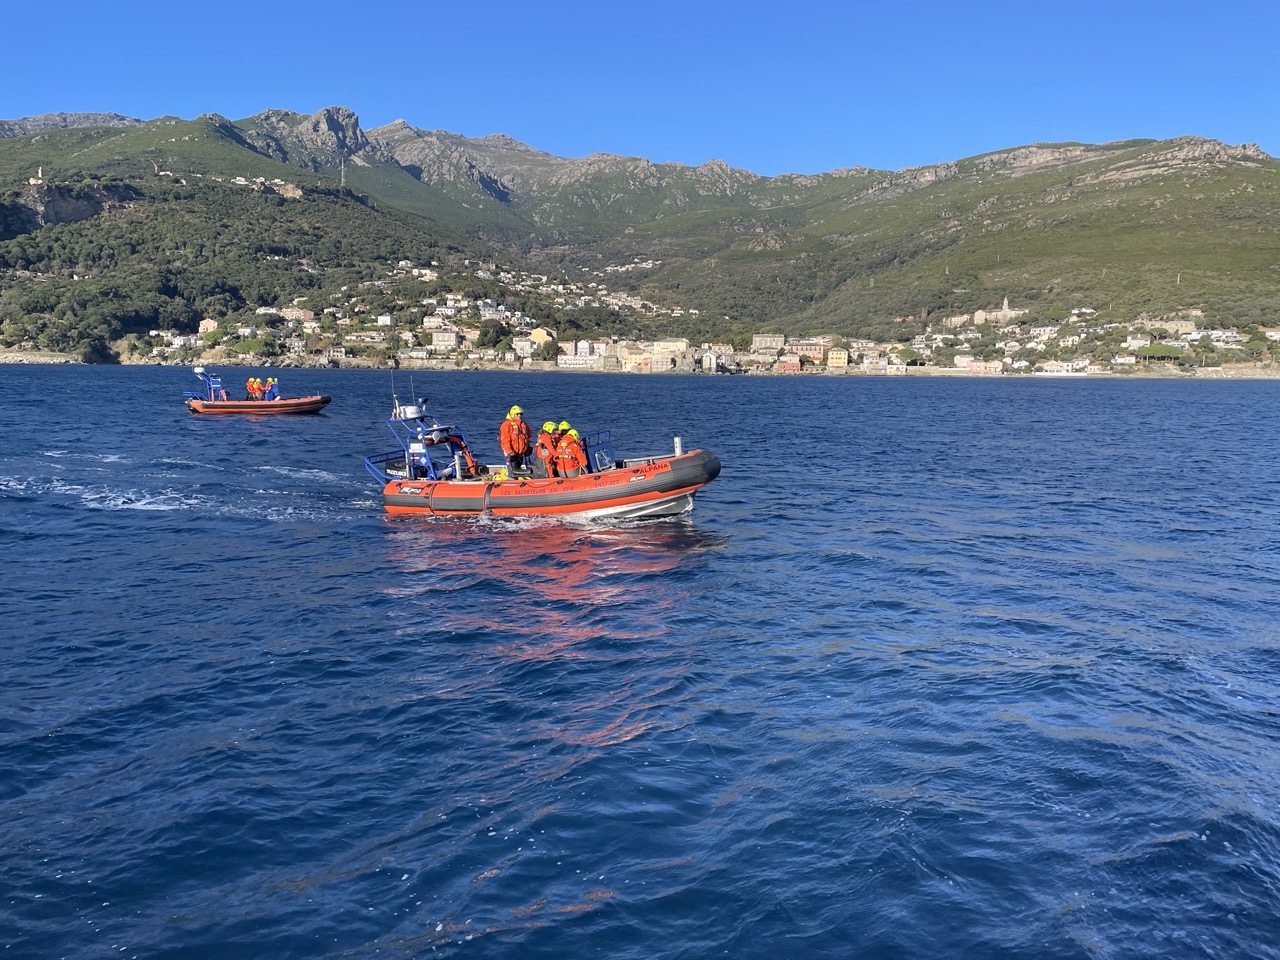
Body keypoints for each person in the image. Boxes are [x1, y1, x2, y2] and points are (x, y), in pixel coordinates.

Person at [498, 404, 532, 476]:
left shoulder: (524, 424)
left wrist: (528, 448)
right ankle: (511, 482)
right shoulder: (506, 425)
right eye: (517, 414)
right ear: (513, 414)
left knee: (519, 469)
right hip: (511, 453)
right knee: (512, 472)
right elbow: (505, 440)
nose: (519, 415)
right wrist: (510, 452)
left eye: (520, 414)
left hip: (520, 453)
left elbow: (527, 437)